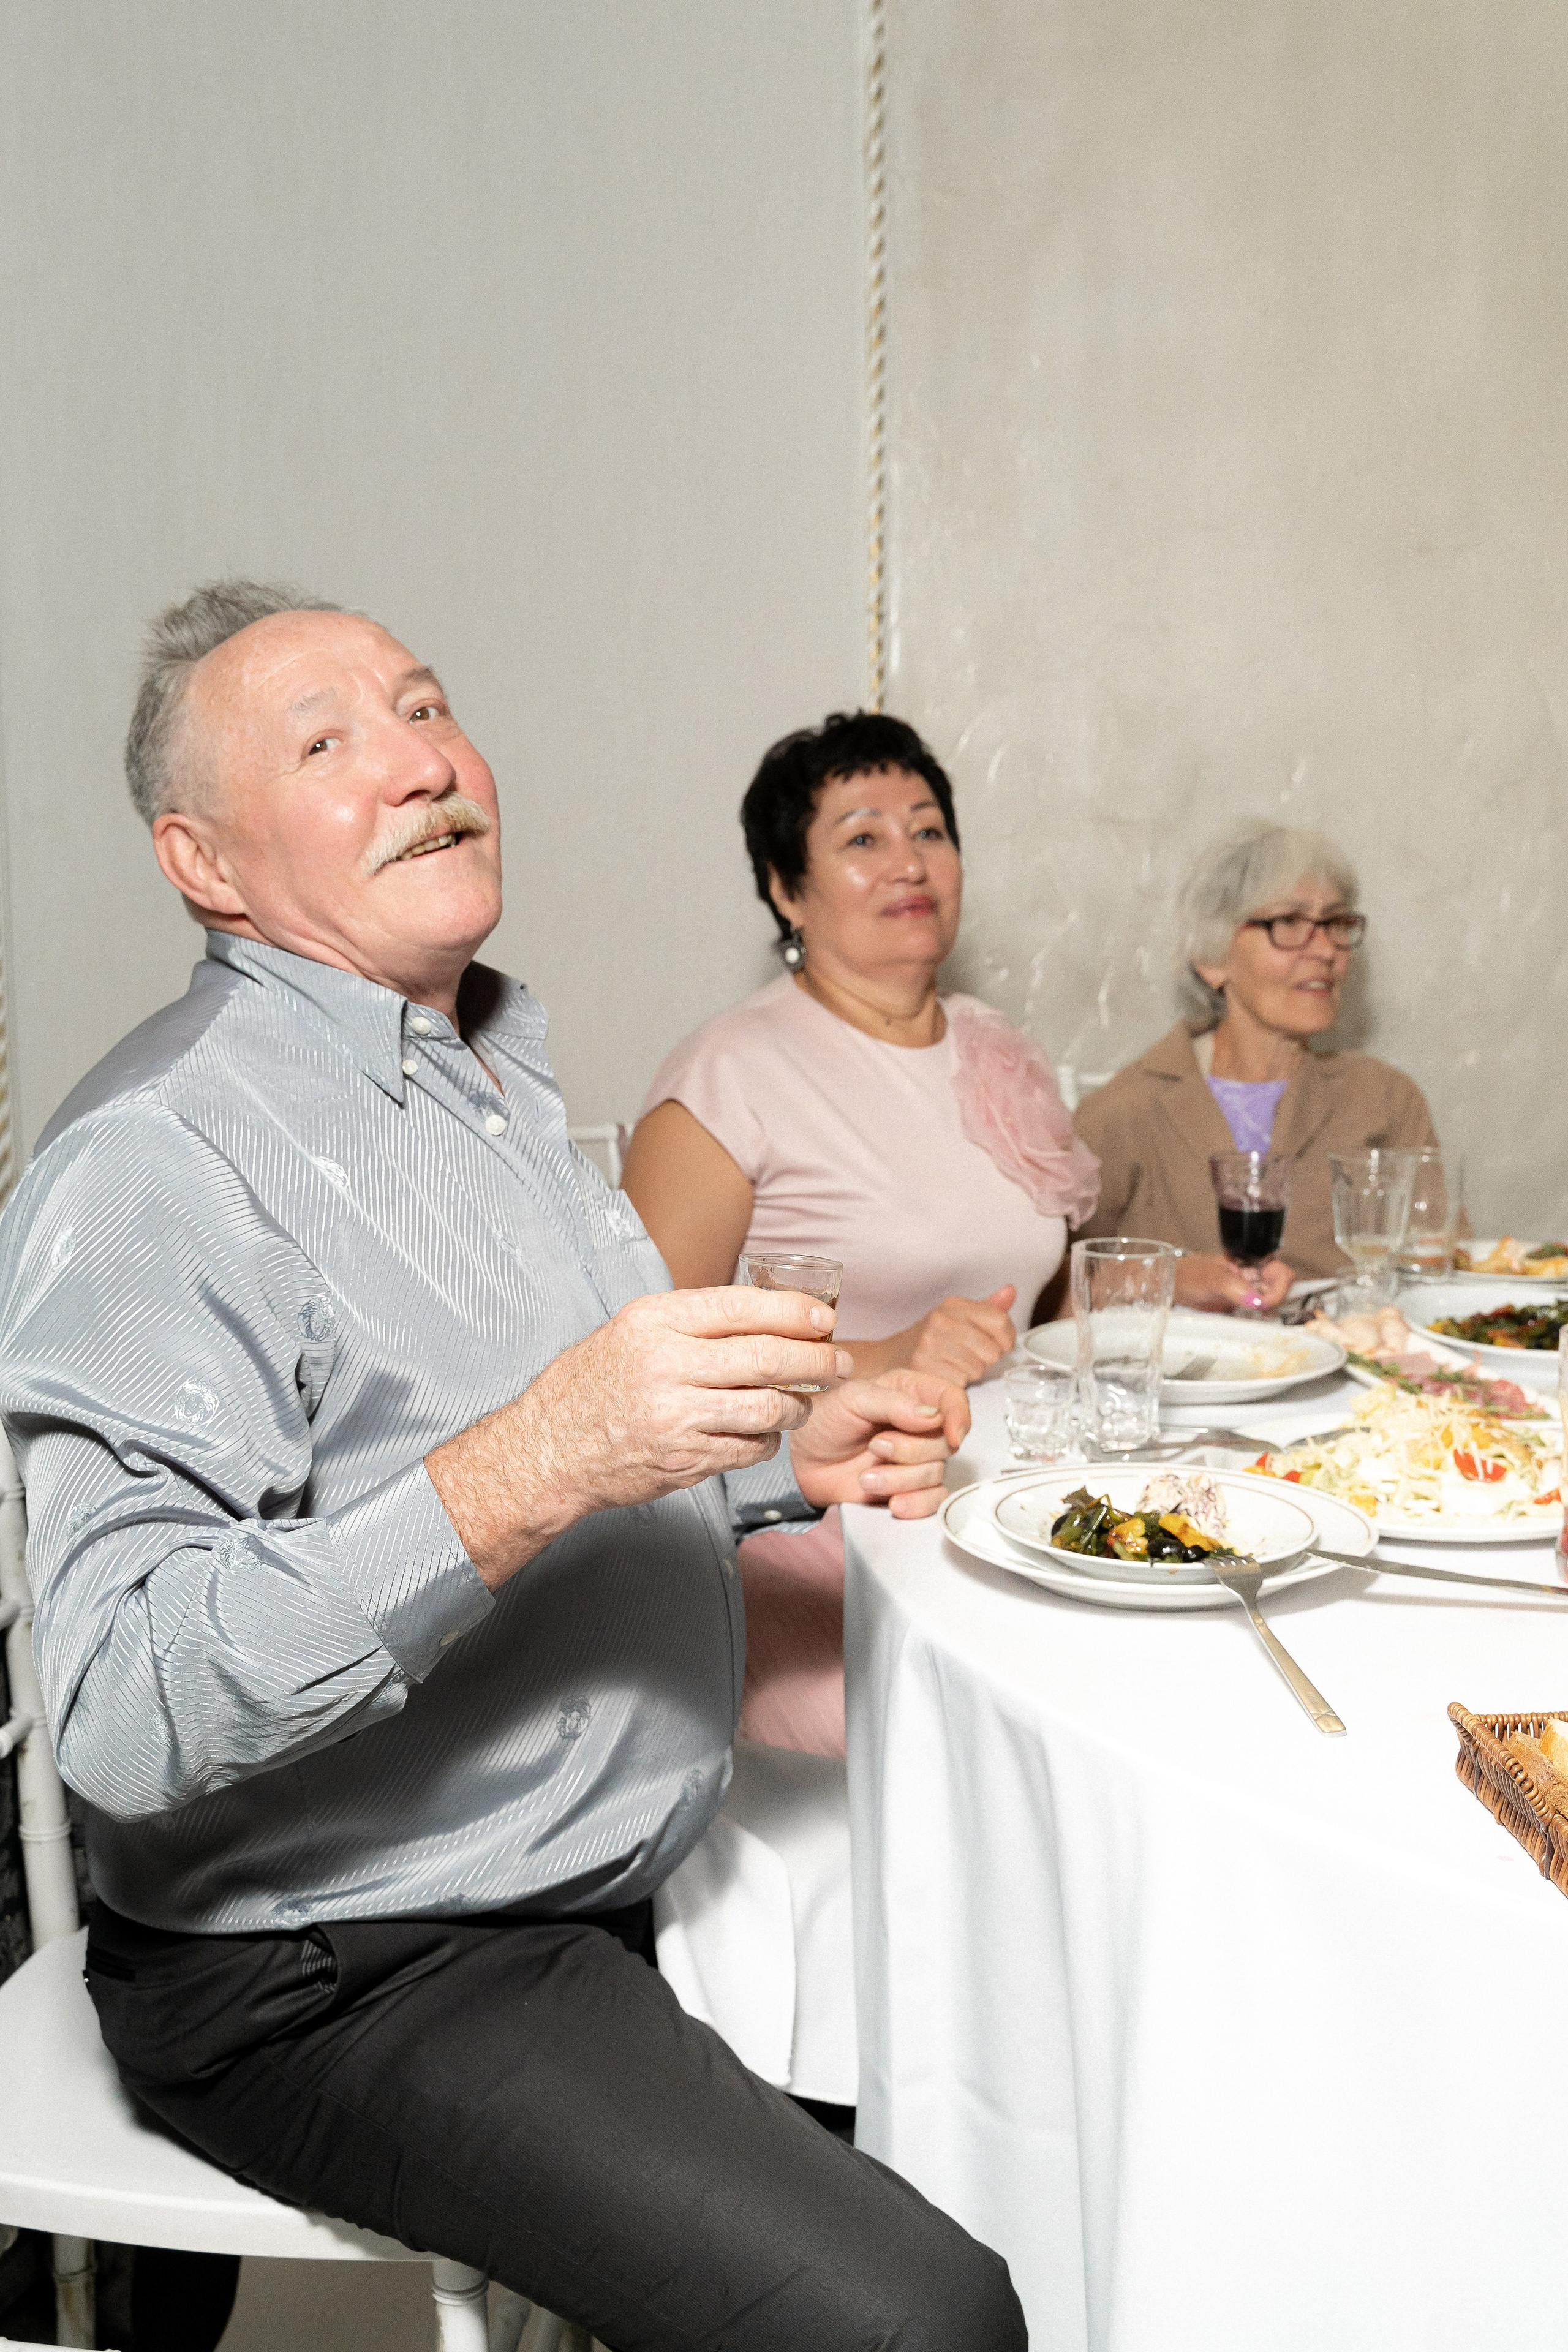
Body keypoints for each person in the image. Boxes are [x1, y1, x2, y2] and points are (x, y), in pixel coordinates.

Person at [0, 582, 1027, 2352]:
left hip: (590, 1867)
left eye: (425, 707)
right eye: (329, 744)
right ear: (208, 863)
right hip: (349, 1958)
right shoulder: (161, 1156)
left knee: (992, 2068)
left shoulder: (480, 1073)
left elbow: (517, 1454)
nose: (419, 762)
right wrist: (547, 1455)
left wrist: (782, 1460)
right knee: (923, 2321)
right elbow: (124, 1703)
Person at [622, 711, 1097, 1754]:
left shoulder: (996, 1045)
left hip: (998, 1495)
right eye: (862, 839)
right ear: (785, 888)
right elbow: (642, 1376)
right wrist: (886, 1356)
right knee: (997, 1738)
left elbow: (1038, 1303)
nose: (909, 862)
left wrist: (1163, 1296)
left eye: (929, 830)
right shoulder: (729, 1073)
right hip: (804, 1522)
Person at [1073, 818, 1438, 1297]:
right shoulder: (1124, 1111)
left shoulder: (1385, 1100)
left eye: (1335, 923)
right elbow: (1060, 1286)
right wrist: (1170, 1280)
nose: (1326, 950)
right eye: (1289, 923)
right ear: (1212, 957)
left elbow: (1437, 1276)